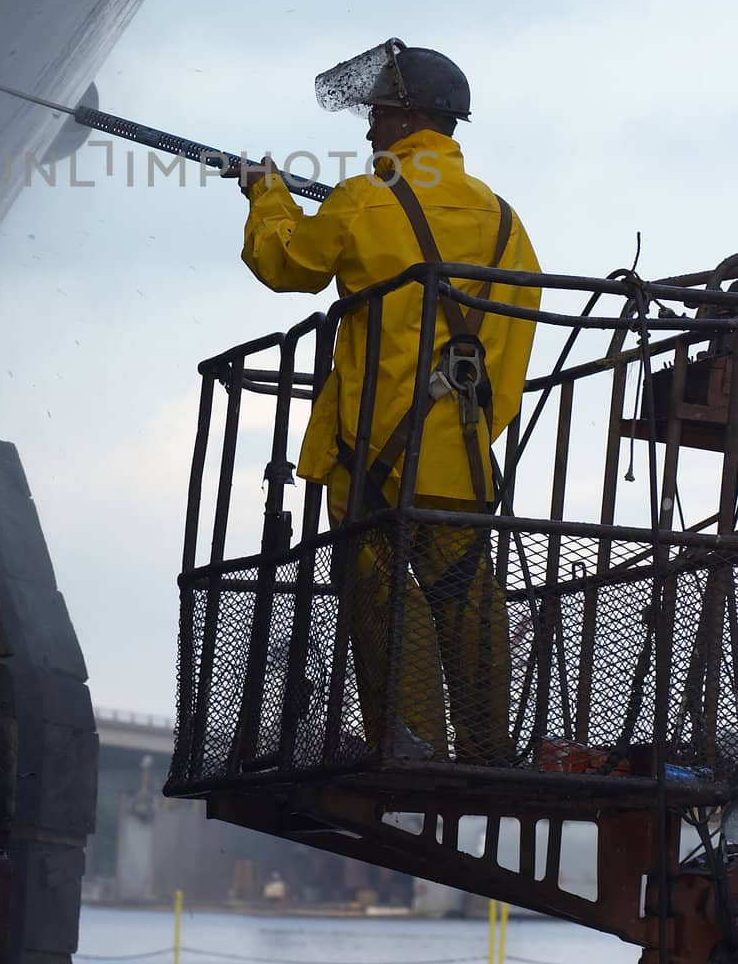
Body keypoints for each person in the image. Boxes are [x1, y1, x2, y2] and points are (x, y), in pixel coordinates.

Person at [229, 40, 540, 764]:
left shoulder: (365, 197)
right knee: (466, 595)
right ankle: (487, 745)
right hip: (462, 452)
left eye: (376, 115)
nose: (368, 130)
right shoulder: (502, 218)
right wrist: (477, 424)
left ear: (406, 119)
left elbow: (287, 265)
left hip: (374, 450)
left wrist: (264, 194)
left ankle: (413, 743)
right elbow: (516, 333)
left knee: (379, 589)